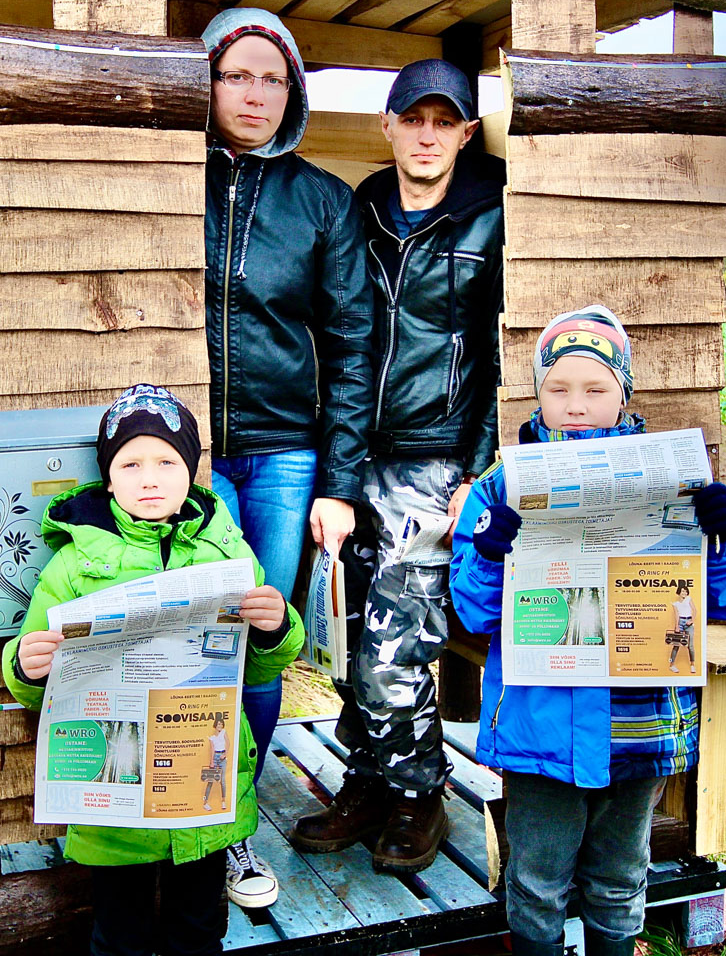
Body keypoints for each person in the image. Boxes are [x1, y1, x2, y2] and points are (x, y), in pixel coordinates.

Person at [449, 306, 726, 956]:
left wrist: (721, 538)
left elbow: (725, 604)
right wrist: (491, 552)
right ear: (537, 393)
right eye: (558, 389)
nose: (576, 405)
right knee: (535, 884)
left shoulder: (675, 482)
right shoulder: (500, 490)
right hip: (541, 733)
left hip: (639, 728)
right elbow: (472, 614)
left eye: (596, 389)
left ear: (624, 393)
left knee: (620, 881)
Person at [289, 59, 504, 874]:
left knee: (395, 643)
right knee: (346, 633)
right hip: (353, 452)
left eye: (443, 122)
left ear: (465, 134)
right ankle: (371, 782)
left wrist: (475, 473)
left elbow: (498, 354)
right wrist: (337, 477)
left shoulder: (492, 217)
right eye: (413, 119)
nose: (426, 135)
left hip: (436, 458)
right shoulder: (361, 212)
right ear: (387, 125)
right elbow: (342, 343)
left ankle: (420, 793)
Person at [0, 384, 304, 953]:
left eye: (167, 462)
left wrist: (275, 625)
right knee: (121, 937)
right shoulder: (72, 562)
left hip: (205, 789)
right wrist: (29, 665)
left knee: (199, 931)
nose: (149, 478)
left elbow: (260, 664)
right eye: (130, 463)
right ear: (107, 477)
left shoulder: (227, 551)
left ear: (190, 473)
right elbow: (30, 671)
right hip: (115, 807)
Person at [201, 7, 375, 903]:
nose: (256, 94)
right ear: (209, 79)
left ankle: (231, 825)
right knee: (195, 637)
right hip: (185, 456)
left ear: (295, 92)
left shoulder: (323, 201)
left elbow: (352, 349)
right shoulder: (168, 181)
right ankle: (176, 811)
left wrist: (339, 482)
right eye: (239, 74)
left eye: (275, 78)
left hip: (282, 458)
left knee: (261, 637)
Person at [669, 582, 696, 674]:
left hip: (688, 622)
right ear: (679, 592)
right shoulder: (675, 604)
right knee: (676, 645)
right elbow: (676, 615)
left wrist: (692, 620)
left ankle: (692, 665)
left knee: (691, 646)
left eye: (686, 591)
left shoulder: (689, 599)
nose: (684, 593)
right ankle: (671, 665)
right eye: (682, 591)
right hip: (680, 622)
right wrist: (676, 626)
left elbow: (694, 610)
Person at [204, 717, 230, 811]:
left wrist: (225, 754)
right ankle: (205, 802)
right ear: (215, 725)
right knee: (210, 780)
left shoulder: (224, 732)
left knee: (222, 781)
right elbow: (212, 750)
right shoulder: (212, 738)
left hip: (222, 757)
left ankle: (223, 800)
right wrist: (211, 762)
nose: (220, 726)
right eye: (218, 724)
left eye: (221, 724)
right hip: (215, 757)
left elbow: (228, 743)